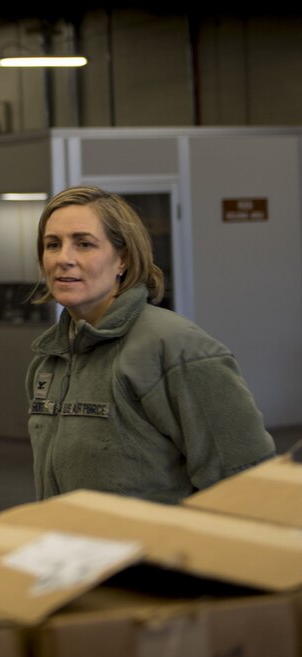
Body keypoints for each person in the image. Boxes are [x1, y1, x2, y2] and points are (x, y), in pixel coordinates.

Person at [26, 185, 274, 503]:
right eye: (52, 245)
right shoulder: (50, 361)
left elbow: (247, 485)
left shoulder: (177, 348)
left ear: (123, 259)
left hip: (158, 552)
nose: (64, 259)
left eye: (84, 244)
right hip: (76, 550)